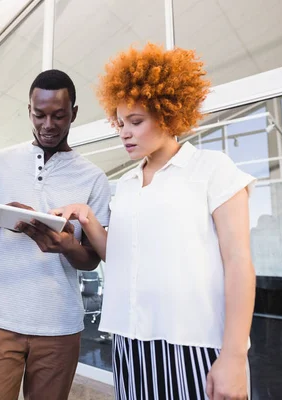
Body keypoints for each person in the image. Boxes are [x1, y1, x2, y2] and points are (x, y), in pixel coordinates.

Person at [52, 44, 256, 400]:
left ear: (167, 114)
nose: (124, 133)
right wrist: (87, 216)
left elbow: (239, 263)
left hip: (194, 343)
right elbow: (117, 255)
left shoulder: (212, 169)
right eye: (120, 123)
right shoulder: (128, 184)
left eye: (136, 121)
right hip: (130, 342)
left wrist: (235, 355)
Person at [0, 69, 111, 400]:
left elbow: (90, 259)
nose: (48, 124)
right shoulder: (2, 163)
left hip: (59, 327)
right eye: (39, 114)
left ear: (74, 113)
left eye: (59, 116)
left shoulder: (93, 178)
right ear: (29, 111)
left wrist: (66, 246)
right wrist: (0, 215)